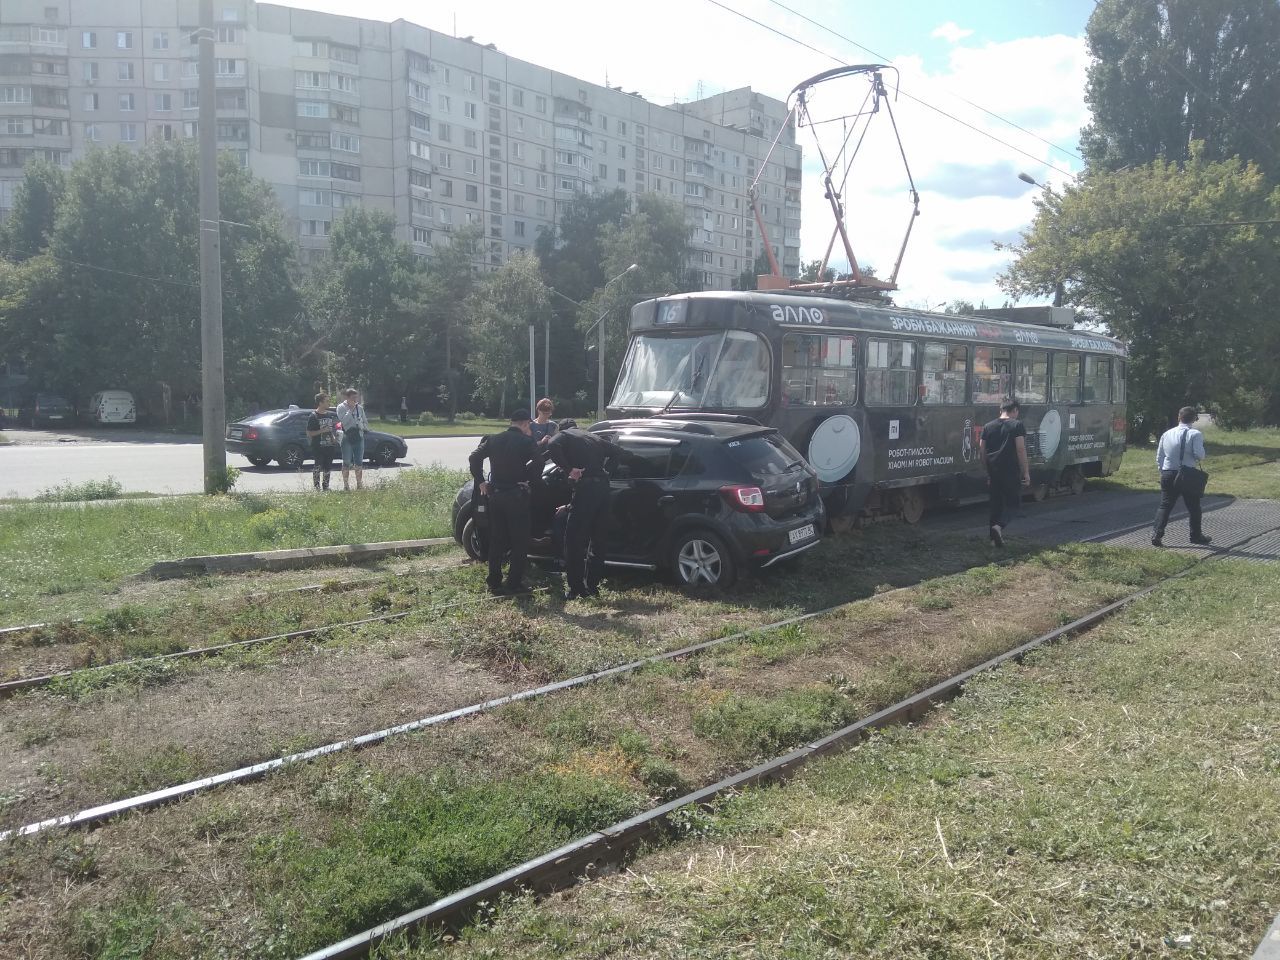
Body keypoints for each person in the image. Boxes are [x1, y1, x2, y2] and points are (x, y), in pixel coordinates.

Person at [546, 421, 625, 600]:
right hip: (603, 491)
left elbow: (552, 445)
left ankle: (576, 589)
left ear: (562, 429)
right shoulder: (593, 436)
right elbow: (618, 452)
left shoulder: (565, 436)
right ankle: (592, 586)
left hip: (586, 489)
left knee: (573, 539)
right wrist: (606, 472)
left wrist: (569, 470)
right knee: (598, 540)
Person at [468, 409, 541, 595]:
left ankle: (494, 581)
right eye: (529, 425)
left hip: (496, 496)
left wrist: (481, 481)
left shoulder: (493, 439)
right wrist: (530, 481)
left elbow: (474, 457)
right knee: (519, 541)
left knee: (497, 540)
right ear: (525, 423)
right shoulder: (526, 441)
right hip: (516, 495)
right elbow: (539, 462)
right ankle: (514, 583)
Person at [1152, 406, 1211, 547]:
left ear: (1179, 417)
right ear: (1194, 419)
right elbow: (1199, 455)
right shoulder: (1195, 434)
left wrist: (1163, 470)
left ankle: (1157, 534)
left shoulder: (1167, 434)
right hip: (1187, 474)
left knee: (1165, 505)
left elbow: (1160, 456)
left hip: (1167, 472)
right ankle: (1195, 535)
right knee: (1194, 507)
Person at [979, 399, 1030, 547]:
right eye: (1017, 412)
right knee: (1013, 504)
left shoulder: (987, 426)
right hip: (1010, 470)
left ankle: (993, 541)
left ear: (1001, 410)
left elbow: (982, 451)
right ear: (1014, 410)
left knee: (996, 505)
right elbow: (1020, 449)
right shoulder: (1017, 425)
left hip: (994, 471)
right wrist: (1025, 472)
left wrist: (988, 471)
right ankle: (999, 527)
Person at [335, 387, 369, 491]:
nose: (355, 399)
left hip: (358, 436)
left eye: (356, 397)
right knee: (346, 461)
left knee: (359, 461)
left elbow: (365, 421)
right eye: (353, 397)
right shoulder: (341, 407)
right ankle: (346, 485)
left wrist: (362, 427)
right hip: (347, 437)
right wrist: (350, 410)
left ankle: (359, 484)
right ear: (347, 397)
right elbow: (343, 422)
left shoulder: (360, 408)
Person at [305, 393, 339, 491]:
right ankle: (316, 487)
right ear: (320, 403)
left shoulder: (329, 415)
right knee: (318, 466)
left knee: (328, 467)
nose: (329, 403)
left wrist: (333, 438)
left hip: (329, 446)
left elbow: (330, 430)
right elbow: (309, 433)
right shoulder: (313, 416)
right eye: (327, 401)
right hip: (318, 446)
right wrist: (321, 431)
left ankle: (326, 486)